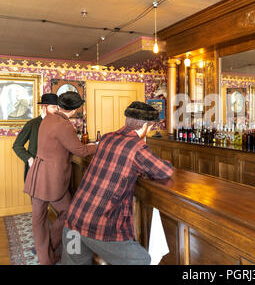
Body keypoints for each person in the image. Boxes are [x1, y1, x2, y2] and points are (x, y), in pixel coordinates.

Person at [62, 101, 174, 265]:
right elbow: (164, 171)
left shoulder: (107, 137)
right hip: (99, 226)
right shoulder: (137, 147)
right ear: (146, 127)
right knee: (141, 260)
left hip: (73, 222)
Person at [24, 91, 97, 265]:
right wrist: (97, 146)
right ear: (74, 109)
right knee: (69, 212)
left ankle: (46, 255)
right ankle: (48, 252)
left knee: (39, 220)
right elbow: (80, 150)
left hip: (37, 175)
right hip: (51, 179)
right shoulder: (64, 125)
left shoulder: (48, 118)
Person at [13, 93, 59, 181]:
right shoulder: (32, 124)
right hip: (36, 169)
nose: (56, 110)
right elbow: (17, 145)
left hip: (53, 170)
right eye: (53, 107)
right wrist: (29, 159)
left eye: (57, 107)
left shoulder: (59, 124)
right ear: (43, 107)